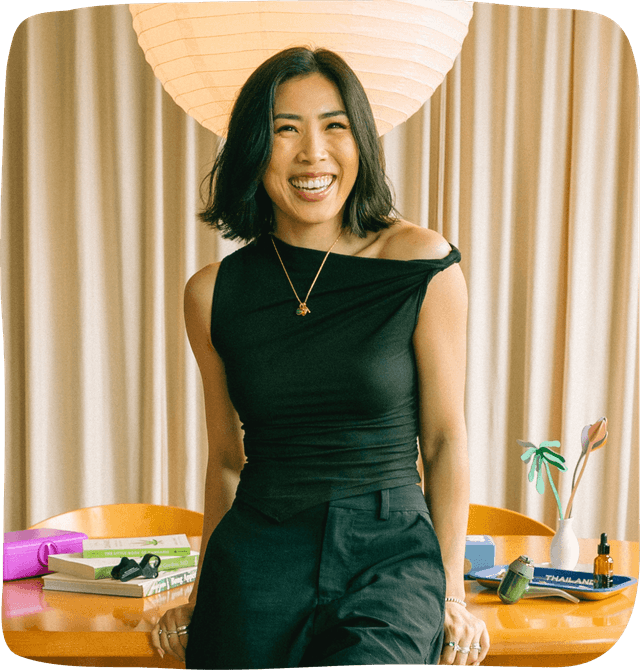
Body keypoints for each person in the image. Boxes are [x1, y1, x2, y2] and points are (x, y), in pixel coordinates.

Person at [151, 46, 489, 668]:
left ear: (360, 140)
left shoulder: (420, 262)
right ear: (256, 148)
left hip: (389, 554)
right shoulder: (211, 293)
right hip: (258, 550)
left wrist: (450, 591)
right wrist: (202, 592)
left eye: (335, 125)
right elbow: (227, 462)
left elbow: (443, 440)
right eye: (286, 129)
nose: (313, 153)